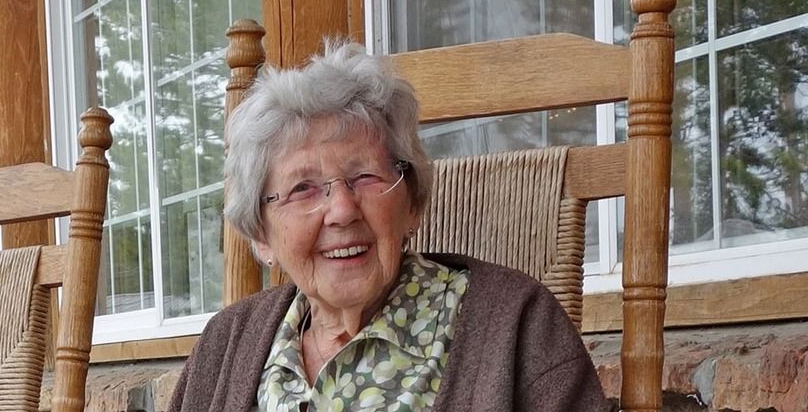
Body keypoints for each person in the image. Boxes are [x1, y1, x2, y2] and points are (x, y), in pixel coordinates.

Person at [169, 43, 613, 412]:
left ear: (412, 203)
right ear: (261, 236)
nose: (342, 210)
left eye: (365, 177)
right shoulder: (224, 345)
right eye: (303, 188)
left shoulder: (519, 325)